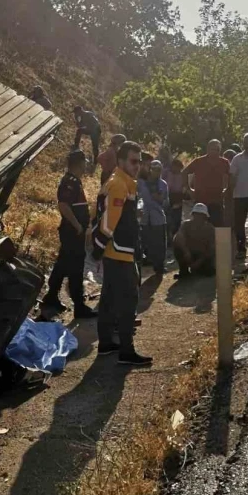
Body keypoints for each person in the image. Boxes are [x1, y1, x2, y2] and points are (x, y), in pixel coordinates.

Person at [92, 140, 153, 367]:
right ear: (120, 161)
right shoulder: (119, 184)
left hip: (118, 250)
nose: (138, 166)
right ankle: (126, 351)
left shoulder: (121, 182)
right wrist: (98, 249)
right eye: (133, 161)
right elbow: (109, 222)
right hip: (119, 252)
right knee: (128, 300)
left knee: (108, 299)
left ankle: (106, 343)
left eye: (139, 162)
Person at [42, 149, 97, 318]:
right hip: (72, 232)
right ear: (79, 163)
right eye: (84, 162)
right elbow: (64, 205)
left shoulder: (75, 181)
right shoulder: (70, 182)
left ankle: (51, 297)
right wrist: (78, 226)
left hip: (73, 232)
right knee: (75, 268)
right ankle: (79, 306)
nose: (86, 164)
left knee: (63, 264)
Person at [183, 139, 230, 225]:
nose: (215, 152)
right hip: (200, 200)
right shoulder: (198, 161)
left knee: (218, 226)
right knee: (199, 225)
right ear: (208, 149)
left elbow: (232, 176)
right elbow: (184, 172)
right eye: (213, 149)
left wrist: (227, 189)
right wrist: (188, 189)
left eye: (217, 150)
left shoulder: (224, 162)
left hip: (217, 200)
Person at [138, 159, 169, 275]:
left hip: (158, 217)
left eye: (159, 170)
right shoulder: (140, 183)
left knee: (160, 243)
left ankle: (159, 266)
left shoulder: (163, 184)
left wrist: (160, 199)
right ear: (150, 170)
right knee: (142, 242)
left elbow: (166, 203)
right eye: (155, 169)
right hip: (143, 217)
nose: (157, 172)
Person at [173, 203, 216, 278]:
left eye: (201, 215)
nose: (198, 217)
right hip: (189, 254)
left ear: (205, 217)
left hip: (203, 257)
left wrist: (199, 261)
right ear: (193, 215)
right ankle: (184, 271)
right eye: (196, 214)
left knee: (209, 271)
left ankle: (199, 268)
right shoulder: (185, 225)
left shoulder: (210, 229)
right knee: (177, 245)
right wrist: (186, 251)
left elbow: (212, 249)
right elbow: (177, 238)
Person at [164, 158, 185, 241]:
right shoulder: (166, 172)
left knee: (176, 219)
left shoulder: (182, 175)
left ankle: (175, 238)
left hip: (178, 198)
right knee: (168, 219)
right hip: (168, 197)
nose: (177, 169)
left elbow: (182, 187)